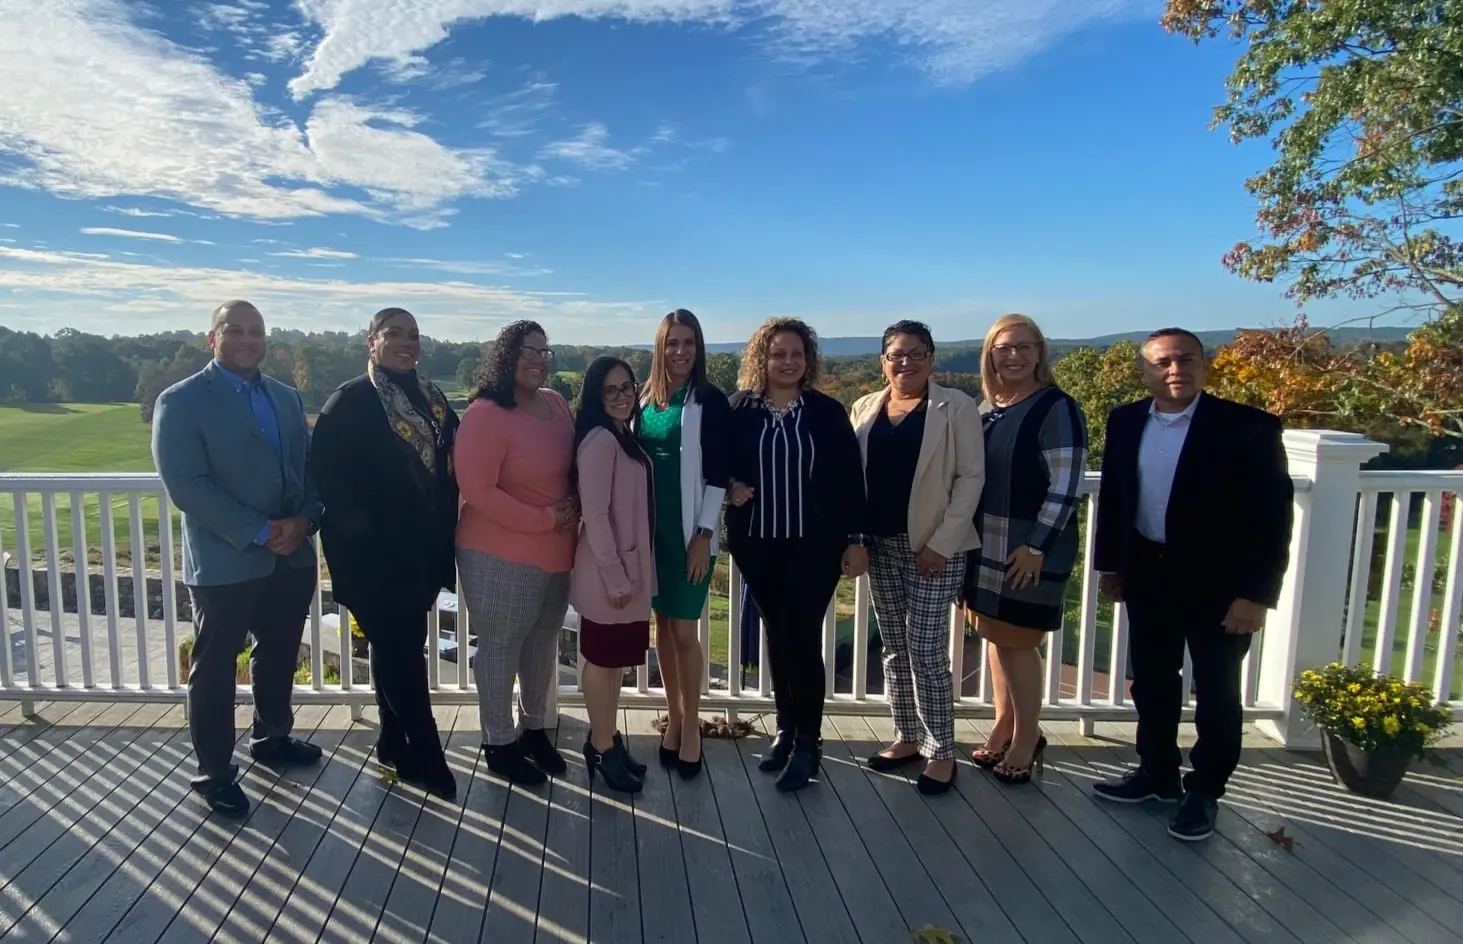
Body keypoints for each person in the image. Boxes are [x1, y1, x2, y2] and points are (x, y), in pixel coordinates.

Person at [1092, 327, 1293, 841]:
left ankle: (1205, 790)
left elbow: (1273, 518)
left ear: (1204, 366)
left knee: (1218, 692)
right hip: (1149, 573)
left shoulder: (1247, 427)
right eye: (1162, 362)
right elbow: (1116, 497)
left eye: (1185, 360)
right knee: (1153, 683)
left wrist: (1256, 595)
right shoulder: (1126, 420)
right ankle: (1157, 772)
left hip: (1222, 586)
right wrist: (1112, 567)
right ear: (1145, 371)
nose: (1174, 369)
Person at [152, 299, 323, 817]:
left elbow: (309, 467)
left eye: (257, 331)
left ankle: (271, 739)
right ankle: (213, 773)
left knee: (278, 651)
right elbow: (187, 485)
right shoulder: (180, 401)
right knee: (216, 664)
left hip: (291, 555)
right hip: (225, 560)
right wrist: (256, 530)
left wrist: (305, 520)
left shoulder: (286, 397)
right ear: (213, 337)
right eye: (235, 329)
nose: (248, 339)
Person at [309, 307, 459, 800]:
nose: (406, 341)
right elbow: (326, 475)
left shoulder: (432, 400)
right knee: (401, 653)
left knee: (397, 649)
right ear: (370, 341)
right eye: (394, 333)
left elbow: (456, 454)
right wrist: (365, 534)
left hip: (420, 554)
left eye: (414, 334)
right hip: (372, 559)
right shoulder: (350, 401)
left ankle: (393, 743)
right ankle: (429, 754)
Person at [725, 317, 869, 792]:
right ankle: (786, 730)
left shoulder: (826, 413)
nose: (788, 362)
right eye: (778, 354)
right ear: (761, 359)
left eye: (796, 354)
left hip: (814, 547)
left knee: (801, 640)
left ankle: (810, 741)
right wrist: (730, 486)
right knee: (776, 634)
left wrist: (855, 540)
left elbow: (850, 479)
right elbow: (715, 462)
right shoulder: (740, 409)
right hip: (758, 545)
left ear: (808, 360)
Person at [850, 321, 984, 795]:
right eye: (896, 354)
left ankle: (941, 749)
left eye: (916, 353)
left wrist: (942, 544)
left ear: (932, 359)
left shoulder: (956, 407)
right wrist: (855, 538)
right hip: (880, 543)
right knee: (893, 647)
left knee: (925, 648)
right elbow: (854, 480)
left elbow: (970, 479)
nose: (905, 362)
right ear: (882, 361)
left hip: (933, 547)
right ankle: (907, 734)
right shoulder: (865, 407)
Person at [963, 314, 1088, 787]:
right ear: (989, 355)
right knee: (996, 637)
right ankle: (1003, 724)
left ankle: (1027, 737)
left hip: (1028, 546)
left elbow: (1067, 485)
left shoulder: (1056, 407)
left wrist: (1037, 546)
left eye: (1023, 346)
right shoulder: (988, 406)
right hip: (987, 542)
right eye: (1002, 347)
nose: (1012, 355)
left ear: (1039, 352)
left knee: (1018, 642)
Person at [455, 320, 579, 786]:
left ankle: (532, 730)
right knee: (501, 645)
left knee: (542, 644)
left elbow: (573, 468)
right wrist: (546, 519)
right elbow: (478, 490)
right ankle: (498, 741)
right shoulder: (485, 414)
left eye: (545, 352)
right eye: (528, 351)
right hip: (499, 554)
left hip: (556, 553)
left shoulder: (556, 404)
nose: (538, 359)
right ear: (505, 356)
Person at [638, 309, 731, 779]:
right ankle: (672, 718)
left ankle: (691, 724)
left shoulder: (709, 402)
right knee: (661, 628)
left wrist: (703, 535)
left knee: (684, 632)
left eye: (689, 343)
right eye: (672, 343)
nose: (680, 351)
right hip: (649, 532)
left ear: (699, 348)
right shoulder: (645, 398)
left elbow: (718, 474)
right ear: (660, 346)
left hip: (689, 532)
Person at [572, 356, 657, 793]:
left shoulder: (623, 435)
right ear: (595, 396)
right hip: (609, 575)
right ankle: (602, 747)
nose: (623, 396)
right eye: (611, 390)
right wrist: (616, 577)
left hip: (628, 570)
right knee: (601, 663)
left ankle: (606, 738)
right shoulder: (600, 442)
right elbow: (596, 515)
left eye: (628, 387)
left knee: (615, 664)